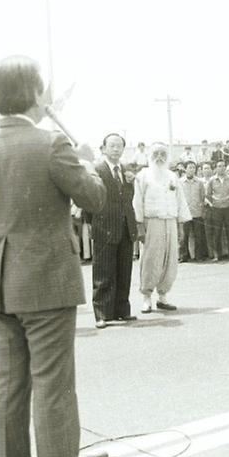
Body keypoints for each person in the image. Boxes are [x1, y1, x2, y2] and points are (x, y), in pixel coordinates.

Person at [0, 55, 111, 457]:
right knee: (53, 383)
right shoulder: (51, 145)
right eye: (44, 91)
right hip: (46, 282)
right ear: (34, 94)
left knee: (9, 381)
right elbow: (95, 199)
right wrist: (90, 163)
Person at [133, 144, 191, 312]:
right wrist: (140, 227)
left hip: (171, 221)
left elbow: (180, 201)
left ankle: (163, 296)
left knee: (170, 259)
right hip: (152, 222)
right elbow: (137, 202)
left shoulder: (172, 176)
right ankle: (146, 297)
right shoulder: (143, 176)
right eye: (156, 154)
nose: (159, 157)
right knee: (151, 260)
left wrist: (180, 226)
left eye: (163, 154)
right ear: (150, 156)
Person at [91, 133, 138, 329]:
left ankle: (122, 310)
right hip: (105, 226)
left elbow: (128, 197)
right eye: (112, 146)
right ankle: (102, 314)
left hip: (126, 226)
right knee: (103, 272)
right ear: (103, 148)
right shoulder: (97, 169)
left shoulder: (127, 170)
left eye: (119, 146)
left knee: (124, 271)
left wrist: (130, 181)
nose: (116, 149)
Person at [205, 159, 229, 261]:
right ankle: (217, 255)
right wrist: (214, 202)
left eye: (223, 166)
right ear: (216, 168)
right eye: (219, 166)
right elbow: (208, 194)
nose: (221, 168)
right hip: (217, 209)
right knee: (217, 233)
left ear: (226, 168)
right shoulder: (212, 180)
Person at [179, 161, 208, 262]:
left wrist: (202, 210)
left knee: (198, 236)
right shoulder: (180, 182)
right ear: (185, 169)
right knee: (183, 237)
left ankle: (199, 256)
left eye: (193, 168)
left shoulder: (199, 183)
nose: (192, 170)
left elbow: (203, 196)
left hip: (197, 212)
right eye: (189, 167)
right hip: (184, 213)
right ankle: (183, 256)